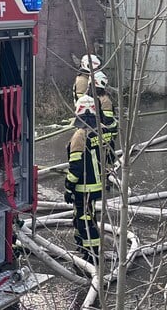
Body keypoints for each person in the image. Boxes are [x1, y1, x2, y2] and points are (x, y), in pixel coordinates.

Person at [65, 95, 104, 258]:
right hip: (96, 185)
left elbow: (76, 166)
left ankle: (92, 255)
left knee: (84, 220)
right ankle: (82, 246)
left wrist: (68, 187)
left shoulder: (79, 135)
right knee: (86, 217)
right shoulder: (98, 131)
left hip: (84, 187)